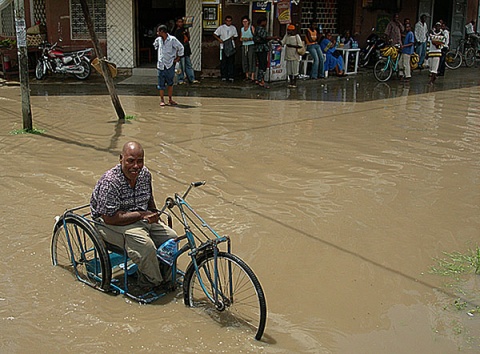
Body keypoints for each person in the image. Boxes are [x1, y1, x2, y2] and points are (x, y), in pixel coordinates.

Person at [90, 141, 178, 292]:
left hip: (139, 218)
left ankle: (161, 273)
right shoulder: (110, 181)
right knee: (146, 246)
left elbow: (149, 199)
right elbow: (109, 218)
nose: (136, 166)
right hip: (110, 224)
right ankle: (152, 281)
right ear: (121, 159)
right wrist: (142, 214)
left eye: (140, 161)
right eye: (131, 161)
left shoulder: (145, 174)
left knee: (171, 237)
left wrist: (155, 214)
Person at [153, 25, 184, 106]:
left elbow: (181, 47)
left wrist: (178, 58)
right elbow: (155, 45)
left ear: (162, 32)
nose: (157, 33)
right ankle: (162, 100)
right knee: (161, 84)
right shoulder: (159, 40)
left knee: (170, 83)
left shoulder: (172, 40)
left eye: (158, 31)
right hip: (161, 65)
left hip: (169, 64)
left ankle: (170, 99)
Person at [173, 17, 199, 85]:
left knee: (188, 65)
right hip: (180, 51)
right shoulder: (176, 31)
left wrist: (187, 29)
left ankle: (191, 78)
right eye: (179, 22)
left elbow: (189, 38)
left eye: (181, 22)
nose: (180, 23)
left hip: (186, 49)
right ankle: (180, 79)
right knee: (181, 66)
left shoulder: (184, 30)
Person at [254, 16, 278, 88]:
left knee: (262, 63)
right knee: (263, 64)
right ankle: (261, 79)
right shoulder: (260, 29)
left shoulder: (258, 29)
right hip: (261, 48)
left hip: (261, 48)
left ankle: (259, 79)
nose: (266, 23)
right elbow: (265, 37)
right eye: (265, 21)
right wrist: (274, 37)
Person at [213, 15, 238, 82]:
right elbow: (215, 34)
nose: (228, 22)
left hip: (231, 47)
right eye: (227, 21)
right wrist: (219, 39)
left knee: (231, 62)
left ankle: (231, 76)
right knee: (224, 62)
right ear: (225, 21)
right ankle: (224, 76)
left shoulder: (233, 28)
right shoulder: (221, 28)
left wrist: (233, 38)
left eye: (230, 21)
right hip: (223, 46)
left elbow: (236, 36)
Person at [240, 16, 256, 82]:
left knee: (251, 60)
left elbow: (255, 37)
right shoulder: (242, 29)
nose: (245, 23)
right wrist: (243, 39)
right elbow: (240, 38)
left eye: (246, 21)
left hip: (251, 45)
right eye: (243, 22)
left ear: (248, 22)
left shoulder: (251, 28)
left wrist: (249, 39)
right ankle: (247, 76)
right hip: (244, 45)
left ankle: (252, 76)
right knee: (244, 60)